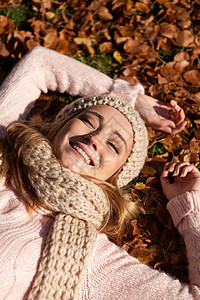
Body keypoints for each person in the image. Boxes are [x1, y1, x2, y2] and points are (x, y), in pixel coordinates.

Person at [0, 46, 198, 300]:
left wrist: (190, 210)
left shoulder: (87, 256)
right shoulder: (6, 138)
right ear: (61, 124)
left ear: (115, 177)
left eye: (114, 145)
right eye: (90, 121)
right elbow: (40, 63)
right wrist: (133, 99)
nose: (95, 138)